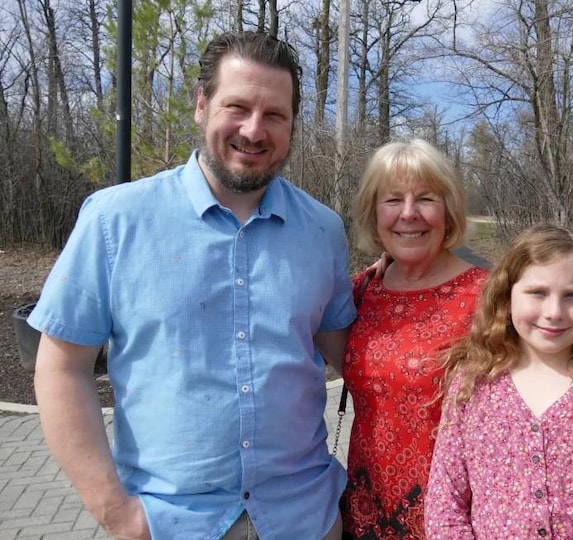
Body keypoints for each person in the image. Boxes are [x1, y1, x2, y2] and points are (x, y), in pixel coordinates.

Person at [28, 31, 355, 539]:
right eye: (237, 107)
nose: (254, 129)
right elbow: (60, 368)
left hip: (305, 519)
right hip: (171, 523)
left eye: (274, 114)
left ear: (293, 124)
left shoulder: (322, 230)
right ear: (202, 105)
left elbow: (358, 360)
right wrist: (115, 512)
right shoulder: (116, 222)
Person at [425, 224, 573, 539]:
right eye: (537, 293)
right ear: (507, 295)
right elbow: (444, 508)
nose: (553, 312)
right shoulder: (472, 384)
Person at [340, 139, 488, 539]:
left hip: (452, 518)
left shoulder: (490, 296)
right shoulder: (362, 291)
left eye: (425, 198)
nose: (408, 213)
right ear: (373, 212)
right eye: (393, 200)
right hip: (365, 513)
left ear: (449, 210)